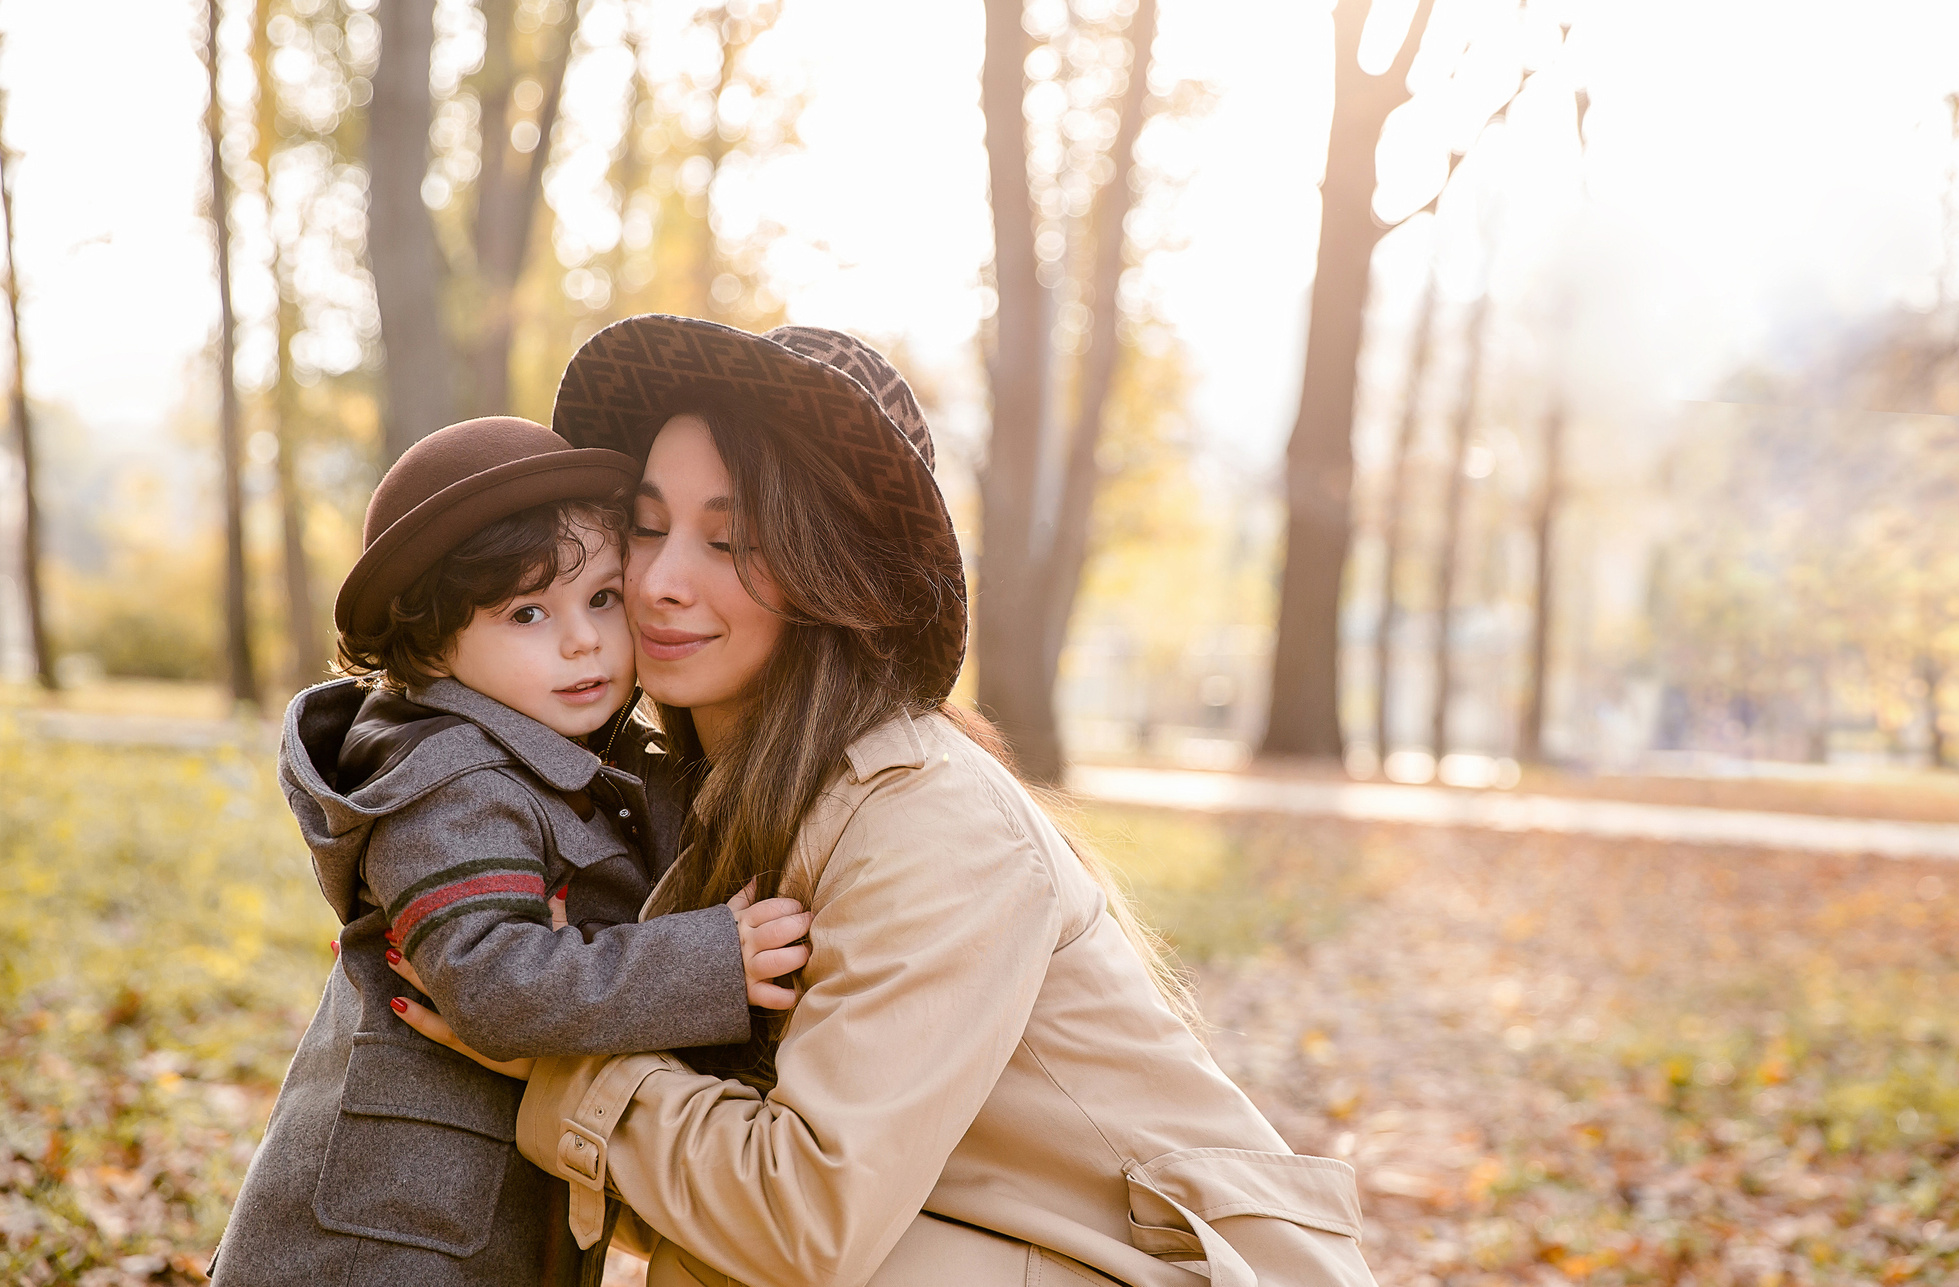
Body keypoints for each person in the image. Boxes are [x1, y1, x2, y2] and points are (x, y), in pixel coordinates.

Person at [391, 318, 1376, 1286]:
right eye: (645, 530)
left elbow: (798, 1221)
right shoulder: (700, 805)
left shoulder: (926, 818)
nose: (660, 582)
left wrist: (559, 1061)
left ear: (833, 572)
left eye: (732, 541)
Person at [212, 417, 813, 1287]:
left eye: (604, 597)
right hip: (381, 1243)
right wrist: (714, 959)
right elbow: (491, 986)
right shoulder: (449, 784)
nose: (582, 640)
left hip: (482, 1226)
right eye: (528, 612)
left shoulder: (566, 756)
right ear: (432, 645)